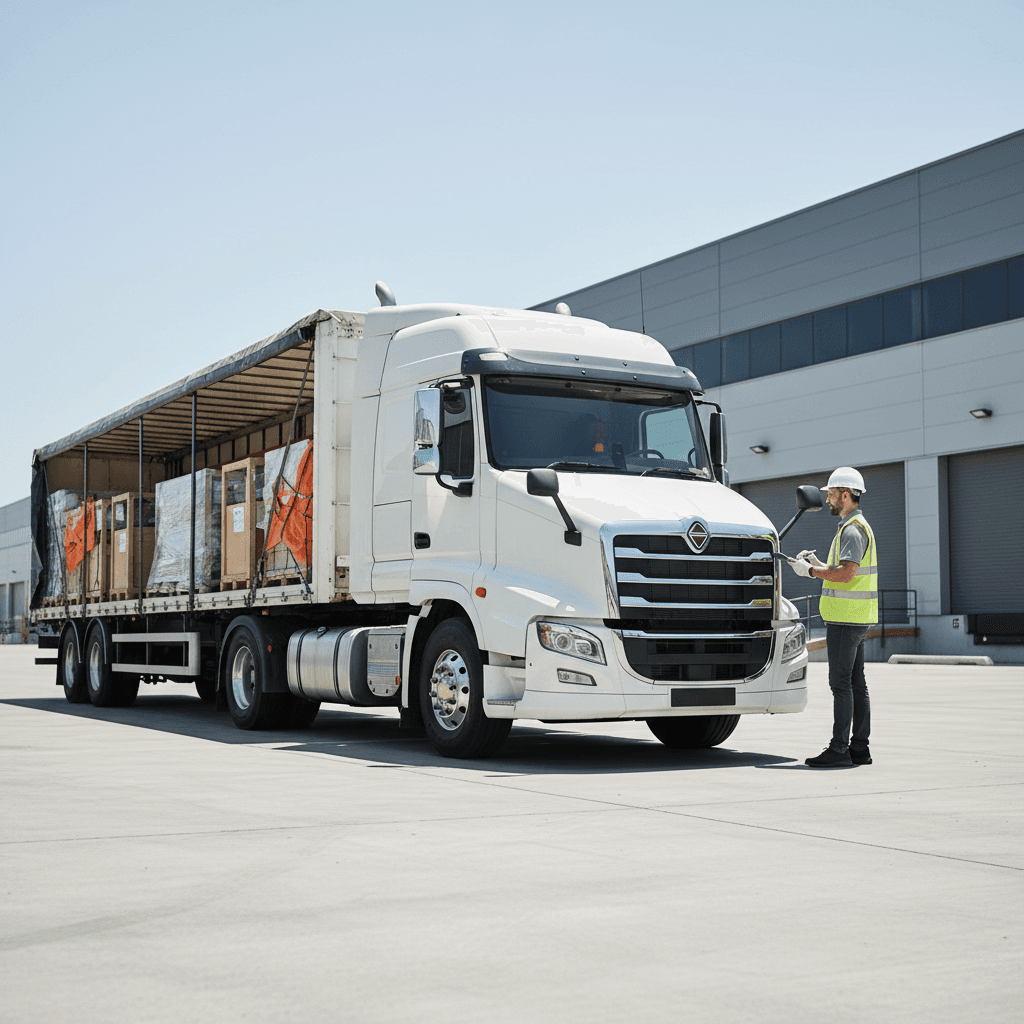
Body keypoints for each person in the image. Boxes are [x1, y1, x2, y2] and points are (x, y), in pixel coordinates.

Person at [788, 467, 877, 768]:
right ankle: (859, 749)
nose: (827, 499)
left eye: (832, 494)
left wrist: (812, 572)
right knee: (856, 684)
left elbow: (847, 573)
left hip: (845, 620)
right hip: (857, 618)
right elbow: (845, 570)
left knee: (841, 684)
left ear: (846, 495)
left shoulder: (851, 530)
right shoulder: (857, 527)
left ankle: (839, 750)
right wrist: (819, 564)